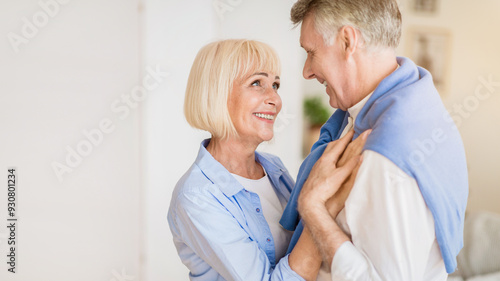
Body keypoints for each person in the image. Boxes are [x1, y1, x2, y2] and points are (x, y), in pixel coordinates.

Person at [280, 0, 469, 280]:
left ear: (347, 41)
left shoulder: (383, 157)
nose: (306, 71)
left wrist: (313, 211)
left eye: (311, 53)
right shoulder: (421, 106)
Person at [167, 39, 368, 281]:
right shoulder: (197, 197)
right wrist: (322, 206)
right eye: (257, 83)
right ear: (216, 93)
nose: (275, 99)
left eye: (275, 85)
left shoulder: (274, 168)